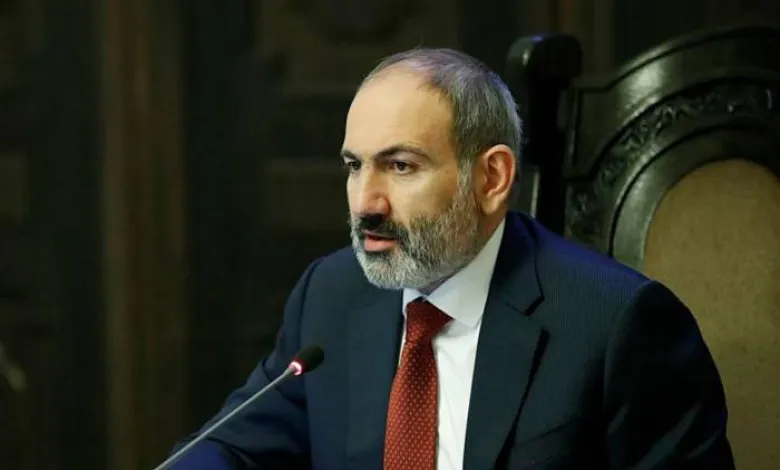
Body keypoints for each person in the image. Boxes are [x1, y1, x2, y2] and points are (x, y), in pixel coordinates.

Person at [170, 48, 734, 469]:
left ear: (491, 178)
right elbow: (234, 447)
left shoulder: (617, 325)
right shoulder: (332, 295)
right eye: (354, 166)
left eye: (401, 166)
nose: (366, 202)